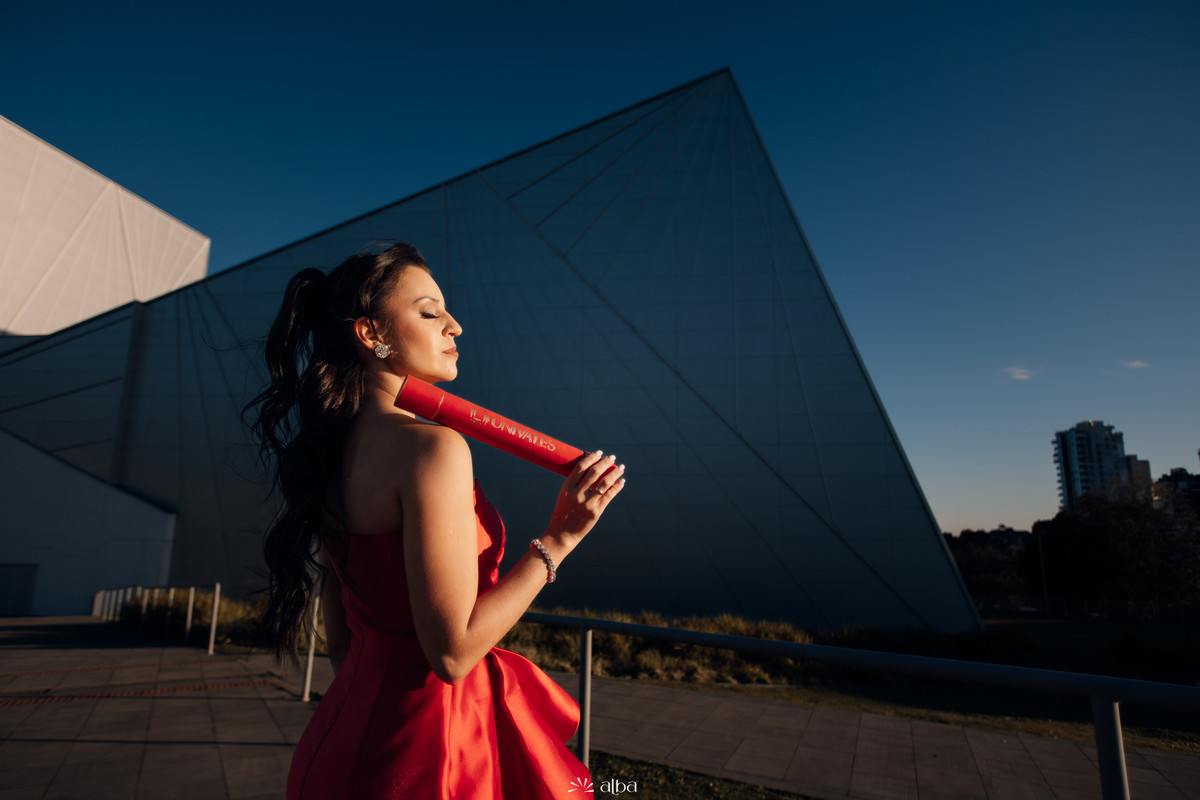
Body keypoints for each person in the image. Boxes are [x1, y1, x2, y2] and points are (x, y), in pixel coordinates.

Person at [245, 242, 625, 799]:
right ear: (371, 334)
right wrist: (559, 540)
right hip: (431, 759)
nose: (456, 326)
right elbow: (452, 653)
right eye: (429, 312)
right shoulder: (433, 450)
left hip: (341, 743)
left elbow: (343, 640)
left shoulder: (327, 452)